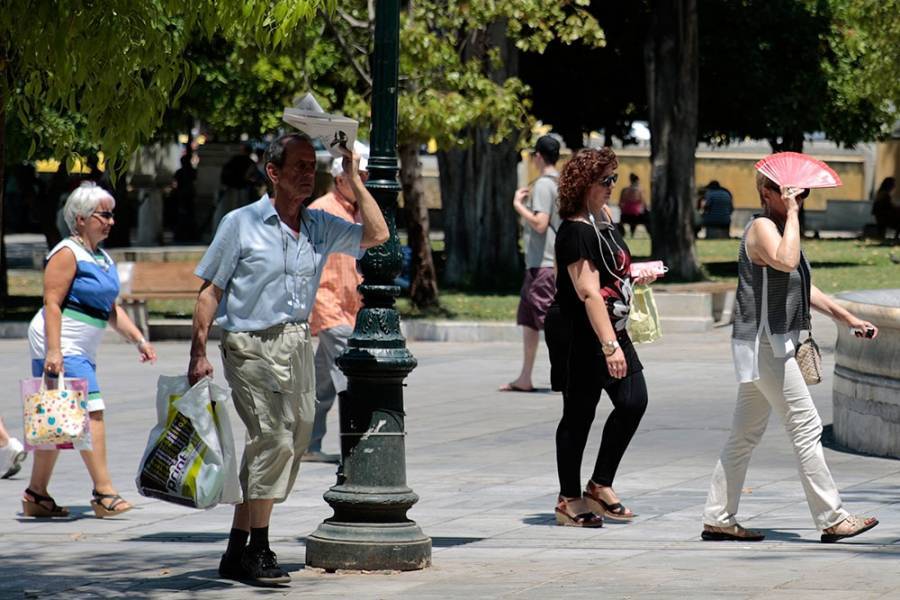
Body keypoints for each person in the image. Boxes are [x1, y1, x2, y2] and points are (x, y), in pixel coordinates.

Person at [187, 132, 388, 585]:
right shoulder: (240, 223)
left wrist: (354, 178)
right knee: (273, 438)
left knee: (291, 442)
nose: (306, 173)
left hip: (297, 342)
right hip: (250, 343)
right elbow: (210, 290)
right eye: (296, 165)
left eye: (310, 165)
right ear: (272, 173)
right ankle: (259, 548)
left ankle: (236, 550)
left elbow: (377, 235)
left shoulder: (318, 224)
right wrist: (198, 351)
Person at [702, 171, 880, 543]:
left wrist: (847, 319)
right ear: (767, 192)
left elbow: (802, 283)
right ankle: (832, 518)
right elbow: (785, 261)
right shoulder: (763, 227)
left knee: (744, 434)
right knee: (807, 426)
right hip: (766, 342)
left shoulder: (781, 226)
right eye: (789, 191)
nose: (798, 197)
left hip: (765, 342)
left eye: (802, 192)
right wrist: (794, 215)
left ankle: (718, 516)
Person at [23, 182, 157, 519]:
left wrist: (139, 339)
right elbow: (51, 303)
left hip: (79, 344)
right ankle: (104, 493)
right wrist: (55, 351)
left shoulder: (100, 257)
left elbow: (110, 308)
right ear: (80, 218)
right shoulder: (66, 252)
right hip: (62, 341)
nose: (111, 221)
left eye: (112, 215)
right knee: (91, 410)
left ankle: (36, 494)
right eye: (104, 215)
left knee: (57, 415)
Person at [547, 148, 658, 527]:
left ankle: (600, 483)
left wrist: (635, 274)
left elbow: (611, 271)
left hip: (612, 327)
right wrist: (610, 346)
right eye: (605, 180)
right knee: (579, 414)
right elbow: (588, 292)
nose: (612, 186)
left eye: (614, 178)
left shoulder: (602, 220)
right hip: (582, 334)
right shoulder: (575, 230)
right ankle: (568, 497)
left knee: (633, 401)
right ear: (584, 184)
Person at [305, 141, 370, 464]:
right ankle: (356, 446)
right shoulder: (321, 209)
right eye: (360, 176)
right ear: (340, 178)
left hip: (349, 309)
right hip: (330, 308)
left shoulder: (356, 211)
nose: (365, 182)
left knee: (322, 386)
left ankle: (307, 444)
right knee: (350, 379)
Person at [500, 134, 561, 393]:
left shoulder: (545, 185)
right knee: (529, 320)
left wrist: (518, 205)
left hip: (544, 264)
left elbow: (540, 223)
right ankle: (525, 376)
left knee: (549, 321)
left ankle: (566, 373)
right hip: (538, 263)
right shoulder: (558, 182)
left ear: (538, 156)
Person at [617, 173, 648, 237]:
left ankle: (625, 233)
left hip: (624, 215)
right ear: (637, 181)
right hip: (636, 216)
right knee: (646, 217)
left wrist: (623, 210)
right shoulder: (640, 191)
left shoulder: (624, 190)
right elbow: (644, 204)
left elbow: (620, 203)